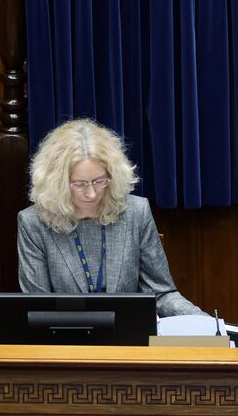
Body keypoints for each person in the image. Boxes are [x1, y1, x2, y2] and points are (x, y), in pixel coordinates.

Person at [17, 118, 203, 317]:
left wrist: (205, 323)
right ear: (57, 182)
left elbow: (161, 293)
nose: (91, 193)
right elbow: (37, 307)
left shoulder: (136, 212)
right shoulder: (33, 223)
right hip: (65, 340)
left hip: (127, 339)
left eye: (99, 181)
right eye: (79, 184)